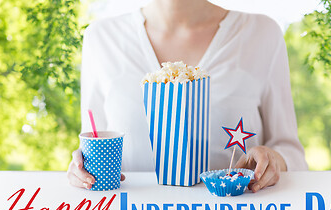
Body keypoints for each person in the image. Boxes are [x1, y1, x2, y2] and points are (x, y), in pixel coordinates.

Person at [67, 0, 308, 192]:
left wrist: (275, 160)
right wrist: (83, 167)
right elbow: (93, 140)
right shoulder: (101, 38)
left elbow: (291, 152)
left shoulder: (261, 34)